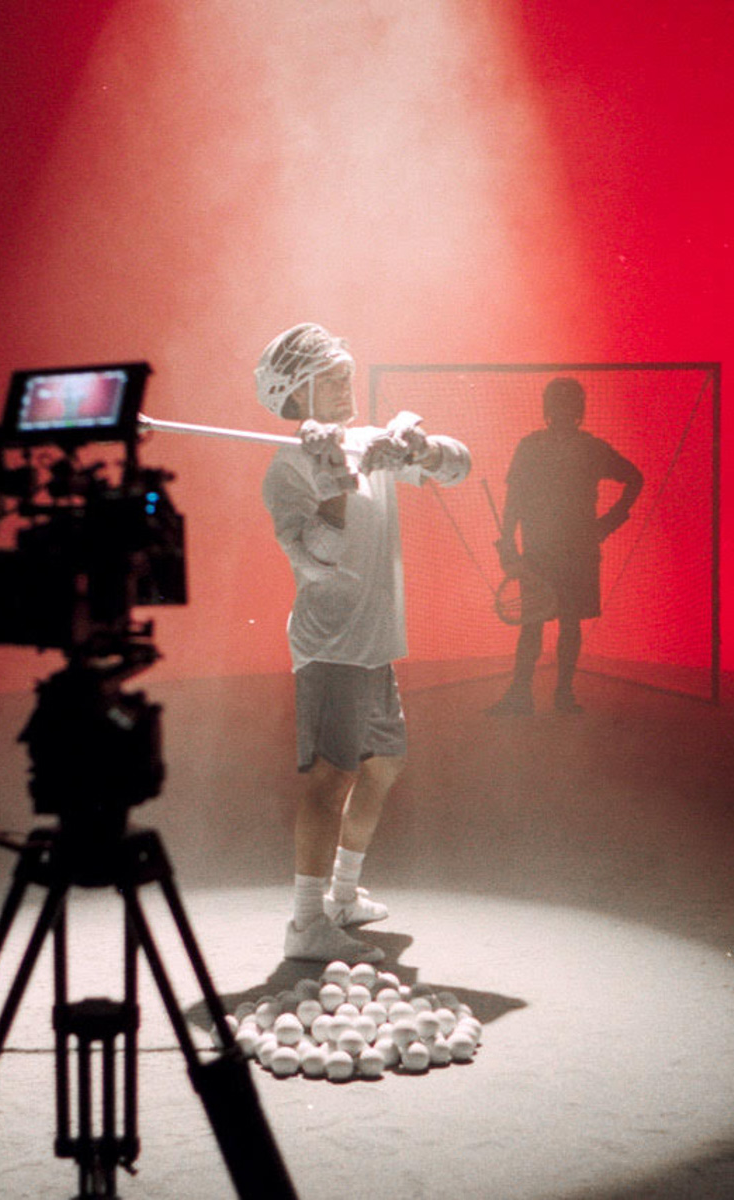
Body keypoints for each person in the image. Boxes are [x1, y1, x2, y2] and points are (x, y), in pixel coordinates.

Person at [256, 323, 471, 964]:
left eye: (345, 369)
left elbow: (460, 467)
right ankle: (304, 923)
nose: (346, 381)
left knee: (383, 765)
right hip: (332, 646)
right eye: (329, 377)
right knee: (334, 775)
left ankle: (342, 898)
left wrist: (422, 449)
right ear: (296, 398)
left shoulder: (367, 439)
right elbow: (319, 558)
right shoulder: (286, 468)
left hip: (375, 642)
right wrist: (335, 476)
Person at [488, 376, 643, 715]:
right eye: (558, 405)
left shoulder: (584, 448)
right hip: (551, 550)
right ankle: (534, 694)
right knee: (539, 623)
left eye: (565, 405)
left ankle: (554, 694)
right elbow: (514, 498)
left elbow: (635, 478)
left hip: (569, 550)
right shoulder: (551, 447)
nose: (560, 412)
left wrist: (608, 522)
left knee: (561, 623)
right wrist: (507, 543)